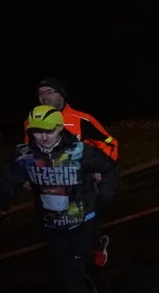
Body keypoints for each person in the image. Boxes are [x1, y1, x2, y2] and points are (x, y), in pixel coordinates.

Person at [2, 105, 118, 293]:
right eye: (37, 132)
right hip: (52, 224)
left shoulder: (79, 151)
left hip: (83, 221)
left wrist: (105, 195)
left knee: (72, 273)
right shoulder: (24, 155)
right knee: (66, 271)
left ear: (59, 128)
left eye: (50, 131)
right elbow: (8, 180)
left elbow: (109, 167)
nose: (44, 137)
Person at [27, 76, 119, 268]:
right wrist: (28, 175)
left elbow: (110, 143)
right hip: (51, 188)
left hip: (82, 185)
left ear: (62, 95)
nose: (44, 96)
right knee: (60, 240)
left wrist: (101, 169)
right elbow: (29, 154)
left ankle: (94, 248)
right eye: (40, 93)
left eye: (50, 91)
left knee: (86, 223)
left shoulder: (82, 119)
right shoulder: (31, 122)